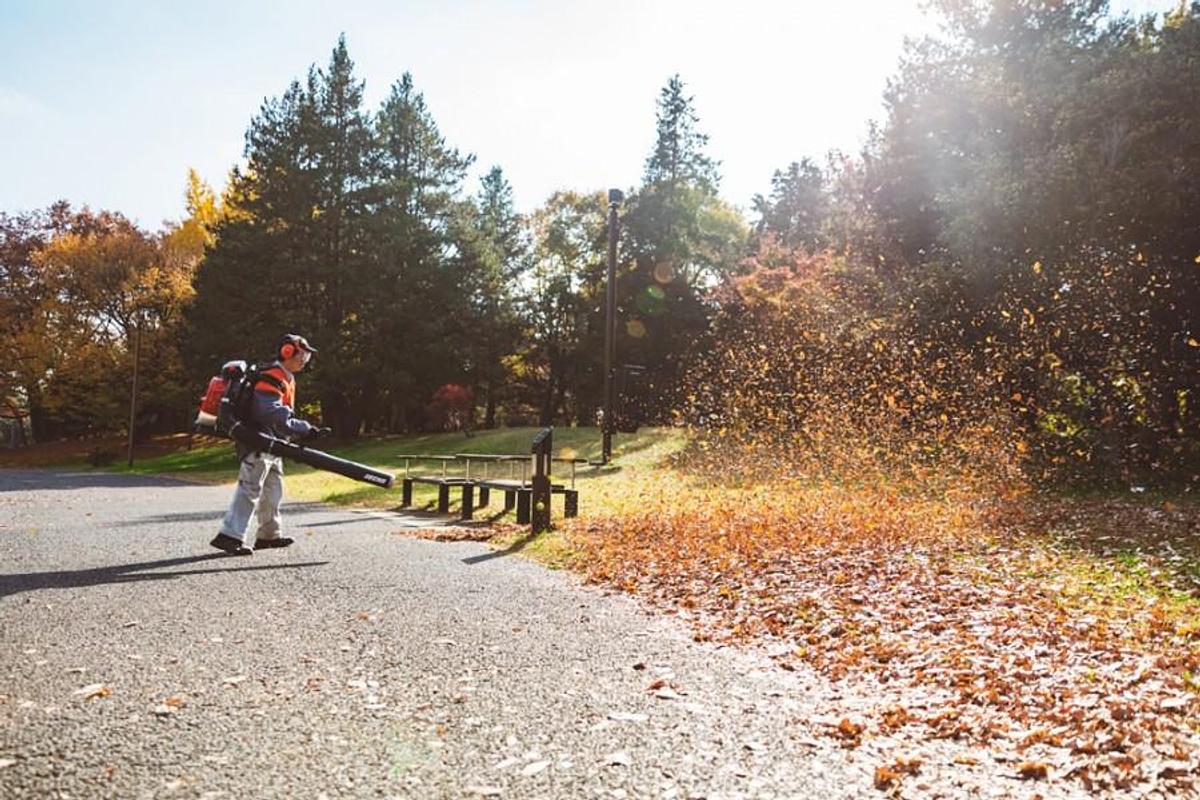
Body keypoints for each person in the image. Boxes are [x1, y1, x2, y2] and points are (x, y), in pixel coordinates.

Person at [210, 334, 331, 555]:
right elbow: (269, 412)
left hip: (274, 443)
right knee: (250, 489)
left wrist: (301, 431)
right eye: (302, 355)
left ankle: (268, 535)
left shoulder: (286, 377)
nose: (305, 360)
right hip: (258, 441)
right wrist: (303, 428)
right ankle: (229, 536)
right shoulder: (273, 376)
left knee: (273, 490)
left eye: (307, 356)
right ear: (287, 352)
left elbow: (280, 417)